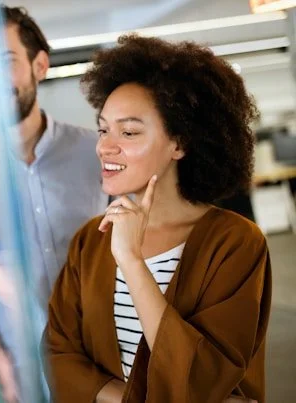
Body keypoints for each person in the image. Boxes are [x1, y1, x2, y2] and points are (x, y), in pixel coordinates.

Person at [46, 35, 272, 403]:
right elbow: (59, 355)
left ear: (180, 144)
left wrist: (133, 262)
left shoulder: (235, 242)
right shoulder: (91, 239)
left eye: (129, 132)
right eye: (104, 128)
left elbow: (202, 378)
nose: (105, 145)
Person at [0, 3, 107, 345]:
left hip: (103, 350)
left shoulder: (97, 153)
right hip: (19, 369)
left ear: (40, 66)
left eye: (5, 62)